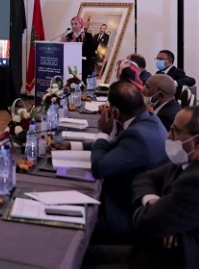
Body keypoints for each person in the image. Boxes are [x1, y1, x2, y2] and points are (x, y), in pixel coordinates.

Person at [53, 81, 168, 244]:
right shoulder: (149, 120)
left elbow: (99, 168)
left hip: (123, 214)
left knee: (63, 219)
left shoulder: (138, 136)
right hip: (129, 196)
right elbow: (116, 146)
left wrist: (103, 132)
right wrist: (73, 145)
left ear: (115, 111)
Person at [129, 106, 199, 269]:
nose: (168, 135)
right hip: (147, 253)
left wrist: (162, 217)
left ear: (196, 142)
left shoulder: (194, 181)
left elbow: (143, 222)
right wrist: (153, 201)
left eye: (175, 131)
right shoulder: (184, 160)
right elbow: (144, 177)